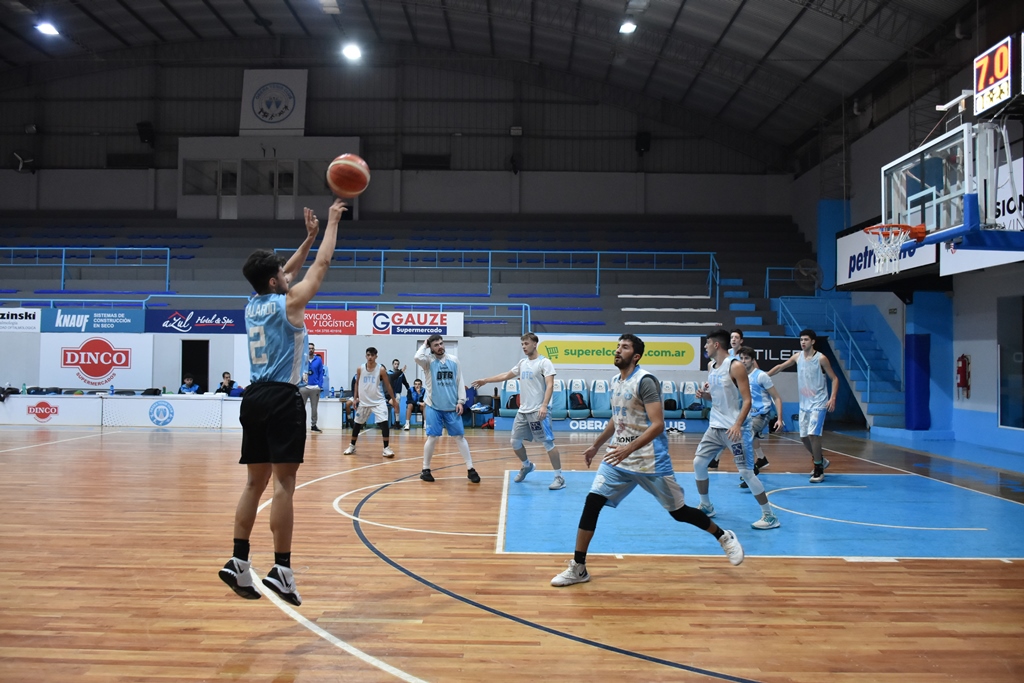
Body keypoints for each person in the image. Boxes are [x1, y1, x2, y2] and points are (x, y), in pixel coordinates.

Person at [218, 199, 344, 607]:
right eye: (280, 274)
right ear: (274, 282)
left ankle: (238, 560)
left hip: (252, 397)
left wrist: (305, 238)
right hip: (280, 398)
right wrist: (330, 227)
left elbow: (287, 271)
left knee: (254, 483)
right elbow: (318, 271)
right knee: (284, 484)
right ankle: (281, 570)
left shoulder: (252, 304)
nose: (286, 274)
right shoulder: (289, 305)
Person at [550, 334, 743, 587]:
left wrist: (628, 448)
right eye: (618, 346)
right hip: (617, 459)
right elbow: (617, 418)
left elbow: (658, 425)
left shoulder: (646, 381)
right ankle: (579, 567)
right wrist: (595, 445)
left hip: (650, 461)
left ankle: (723, 536)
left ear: (636, 355)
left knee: (679, 513)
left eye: (625, 347)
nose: (618, 350)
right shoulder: (615, 381)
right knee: (592, 501)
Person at [692, 331, 780, 530]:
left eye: (707, 344)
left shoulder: (736, 366)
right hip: (715, 426)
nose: (705, 347)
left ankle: (770, 516)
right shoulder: (711, 367)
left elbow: (747, 400)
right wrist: (704, 395)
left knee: (746, 472)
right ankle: (706, 505)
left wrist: (738, 424)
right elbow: (716, 398)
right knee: (698, 463)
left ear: (716, 345)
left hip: (736, 429)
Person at [472, 332, 565, 490]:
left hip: (538, 411)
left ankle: (559, 477)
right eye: (522, 344)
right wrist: (485, 380)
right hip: (523, 411)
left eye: (526, 344)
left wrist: (544, 405)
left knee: (548, 443)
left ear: (535, 344)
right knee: (514, 442)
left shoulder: (545, 363)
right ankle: (527, 465)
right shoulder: (522, 363)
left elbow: (550, 385)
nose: (524, 347)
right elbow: (506, 375)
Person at [766, 329, 839, 483]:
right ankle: (821, 460)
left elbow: (835, 378)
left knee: (813, 435)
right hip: (804, 403)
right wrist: (764, 376)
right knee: (804, 437)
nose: (803, 342)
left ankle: (818, 468)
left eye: (806, 339)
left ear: (813, 341)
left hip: (819, 402)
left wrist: (832, 398)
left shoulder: (821, 359)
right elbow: (780, 367)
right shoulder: (798, 357)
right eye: (801, 340)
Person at [414, 334, 479, 483]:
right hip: (433, 406)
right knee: (432, 437)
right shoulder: (427, 361)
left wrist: (461, 401)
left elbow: (459, 381)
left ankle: (470, 468)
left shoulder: (454, 361)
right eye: (436, 345)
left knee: (459, 437)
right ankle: (425, 469)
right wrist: (424, 345)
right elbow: (417, 358)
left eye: (441, 343)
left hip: (451, 407)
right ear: (431, 347)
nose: (440, 347)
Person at [343, 348, 400, 458]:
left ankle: (386, 448)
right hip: (364, 402)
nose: (370, 357)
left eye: (372, 355)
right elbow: (357, 384)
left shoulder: (381, 369)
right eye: (368, 355)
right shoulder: (360, 368)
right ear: (366, 356)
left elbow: (388, 385)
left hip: (378, 401)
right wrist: (355, 398)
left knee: (384, 423)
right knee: (357, 425)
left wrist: (394, 400)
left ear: (376, 357)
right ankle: (352, 446)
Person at [739, 345, 783, 479]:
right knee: (748, 437)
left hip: (761, 414)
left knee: (746, 435)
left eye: (746, 358)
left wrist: (779, 419)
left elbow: (777, 398)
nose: (743, 361)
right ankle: (761, 459)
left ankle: (751, 470)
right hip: (747, 414)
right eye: (741, 358)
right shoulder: (740, 376)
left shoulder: (761, 376)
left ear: (753, 360)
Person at [299, 343, 325, 432]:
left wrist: (320, 385)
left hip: (315, 388)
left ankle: (313, 425)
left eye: (312, 348)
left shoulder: (318, 360)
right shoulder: (302, 359)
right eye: (309, 348)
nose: (311, 350)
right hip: (304, 387)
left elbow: (321, 373)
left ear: (314, 350)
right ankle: (300, 425)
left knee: (314, 408)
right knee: (301, 408)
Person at [387, 359, 410, 427]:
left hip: (397, 393)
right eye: (395, 364)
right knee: (389, 408)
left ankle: (396, 422)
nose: (396, 365)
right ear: (393, 364)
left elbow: (405, 383)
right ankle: (388, 423)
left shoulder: (401, 374)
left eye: (397, 364)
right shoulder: (389, 373)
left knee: (396, 407)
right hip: (390, 394)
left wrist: (409, 389)